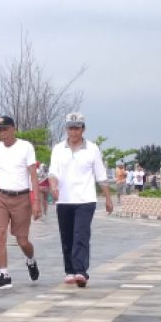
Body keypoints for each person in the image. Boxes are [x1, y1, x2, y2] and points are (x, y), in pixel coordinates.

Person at [48, 112, 113, 287]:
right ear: (66, 129)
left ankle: (81, 271)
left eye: (77, 128)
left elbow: (101, 175)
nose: (73, 132)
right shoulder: (58, 149)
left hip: (85, 199)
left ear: (83, 129)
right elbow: (53, 172)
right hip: (64, 200)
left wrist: (108, 199)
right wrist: (53, 186)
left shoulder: (92, 149)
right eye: (70, 128)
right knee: (67, 236)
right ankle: (69, 271)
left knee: (81, 235)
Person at [0, 115, 41, 290]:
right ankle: (4, 275)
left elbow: (33, 176)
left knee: (22, 241)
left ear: (13, 129)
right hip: (1, 197)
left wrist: (36, 202)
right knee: (0, 233)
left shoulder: (26, 147)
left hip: (22, 198)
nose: (2, 133)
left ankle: (31, 260)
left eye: (5, 129)